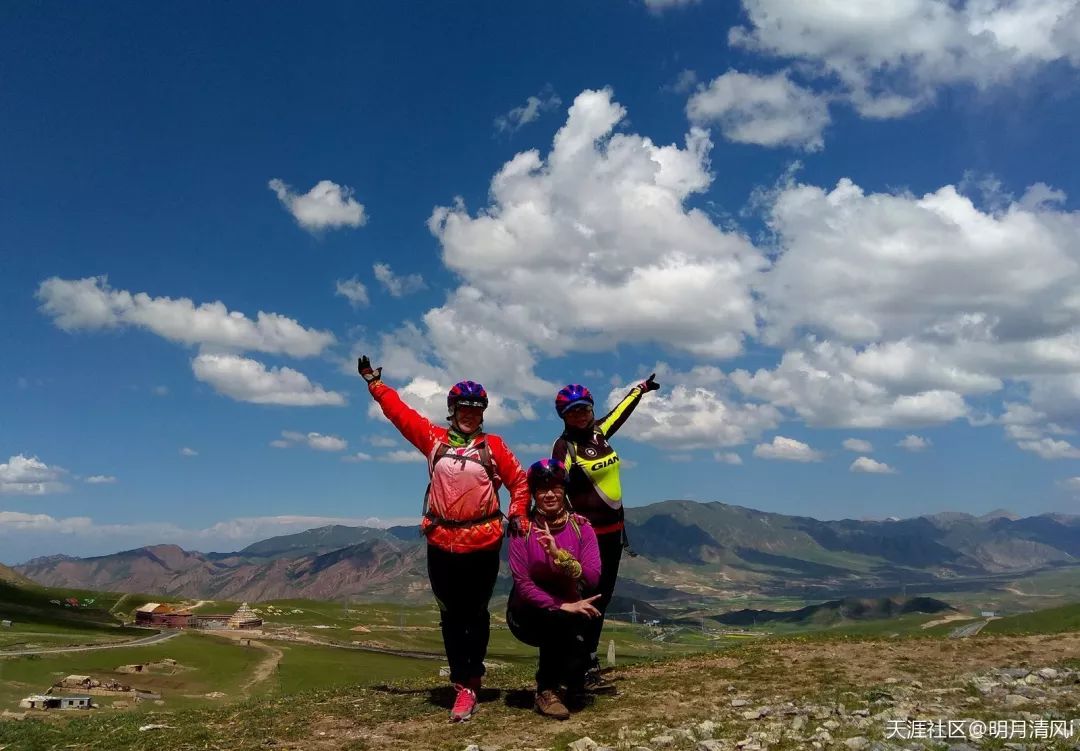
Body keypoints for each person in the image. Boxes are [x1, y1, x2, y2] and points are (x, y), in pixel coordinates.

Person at [358, 356, 529, 722]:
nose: (469, 413)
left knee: (476, 613)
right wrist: (375, 385)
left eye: (476, 408)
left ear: (483, 413)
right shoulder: (433, 440)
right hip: (440, 541)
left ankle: (472, 676)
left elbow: (520, 482)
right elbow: (400, 414)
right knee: (450, 615)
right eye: (463, 408)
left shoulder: (494, 447)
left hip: (483, 542)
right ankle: (463, 684)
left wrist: (517, 513)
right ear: (452, 410)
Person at [550, 374, 660, 692]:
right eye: (572, 411)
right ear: (563, 416)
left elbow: (620, 411)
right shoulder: (565, 446)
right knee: (584, 599)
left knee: (602, 599)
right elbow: (554, 487)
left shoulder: (600, 432)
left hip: (613, 533)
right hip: (586, 537)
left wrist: (639, 390)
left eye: (584, 409)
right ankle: (571, 666)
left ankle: (586, 661)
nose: (580, 415)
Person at [507, 459, 602, 720]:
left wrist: (559, 555)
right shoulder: (521, 530)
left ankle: (570, 681)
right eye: (542, 489)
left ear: (565, 491)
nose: (549, 494)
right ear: (534, 494)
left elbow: (592, 578)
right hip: (527, 612)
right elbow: (523, 584)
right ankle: (545, 691)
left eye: (556, 488)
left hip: (570, 607)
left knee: (577, 666)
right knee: (555, 621)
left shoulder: (582, 527)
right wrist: (560, 605)